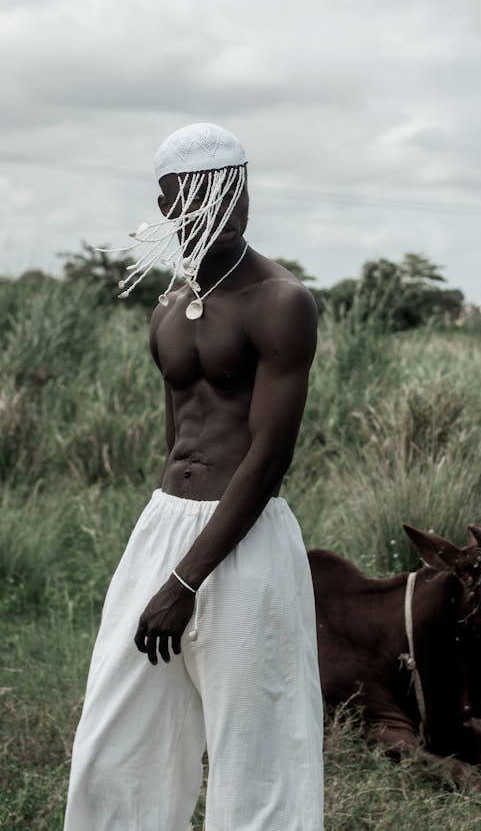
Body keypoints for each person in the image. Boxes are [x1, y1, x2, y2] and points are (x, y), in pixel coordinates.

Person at [64, 123, 324, 831]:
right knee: (114, 743)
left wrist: (186, 582)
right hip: (166, 526)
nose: (226, 209)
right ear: (167, 200)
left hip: (246, 539)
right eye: (204, 194)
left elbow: (267, 458)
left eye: (235, 192)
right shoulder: (167, 312)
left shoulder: (282, 302)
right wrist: (163, 553)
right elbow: (180, 441)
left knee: (259, 753)